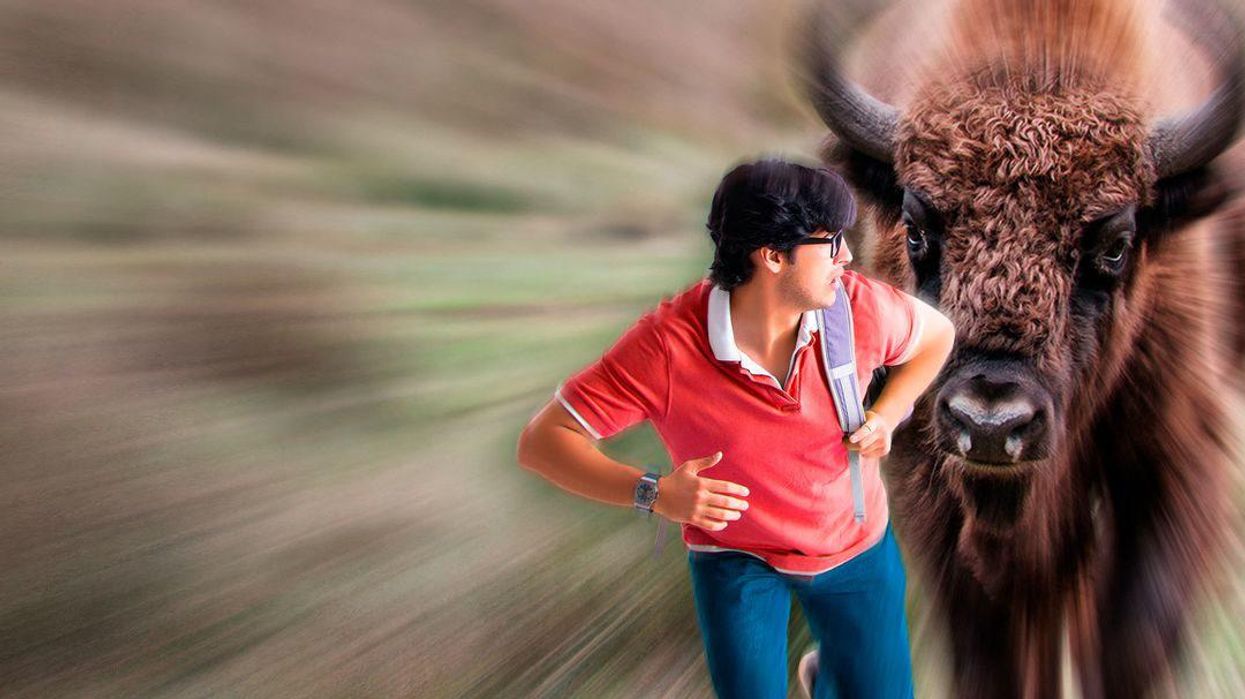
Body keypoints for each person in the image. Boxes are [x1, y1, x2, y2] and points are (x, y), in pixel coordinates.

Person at [516, 158, 955, 698]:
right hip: (735, 559)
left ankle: (832, 677)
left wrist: (887, 413)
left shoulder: (858, 306)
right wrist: (653, 494)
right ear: (772, 256)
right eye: (831, 243)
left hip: (853, 542)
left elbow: (937, 337)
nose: (846, 256)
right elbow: (542, 441)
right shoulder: (666, 347)